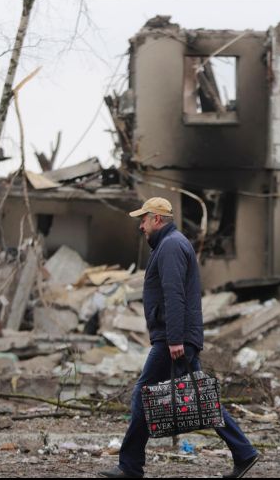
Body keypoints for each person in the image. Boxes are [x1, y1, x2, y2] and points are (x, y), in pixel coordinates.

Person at [99, 197, 259, 478]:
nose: (141, 226)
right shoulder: (170, 244)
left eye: (144, 219)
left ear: (157, 219)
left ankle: (130, 466)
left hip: (174, 340)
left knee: (142, 395)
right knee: (201, 398)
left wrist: (174, 339)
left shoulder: (171, 246)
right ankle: (244, 452)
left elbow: (175, 295)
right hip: (177, 337)